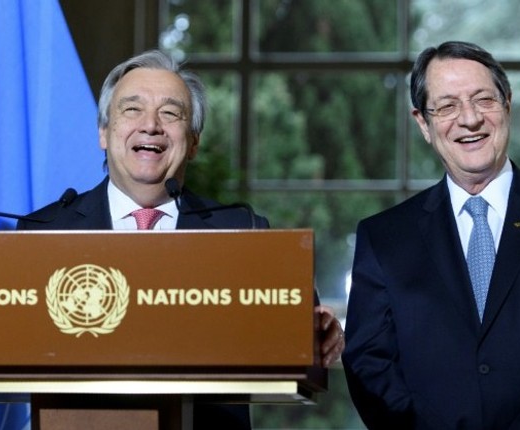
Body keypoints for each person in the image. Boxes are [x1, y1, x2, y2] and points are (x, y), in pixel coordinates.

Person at [17, 50, 345, 429]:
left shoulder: (244, 231)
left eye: (171, 114)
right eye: (132, 110)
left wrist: (317, 333)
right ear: (103, 134)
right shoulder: (43, 232)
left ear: (193, 142)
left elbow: (302, 336)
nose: (151, 125)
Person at [343, 40, 520, 429]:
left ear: (507, 105)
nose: (469, 119)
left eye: (483, 99)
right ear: (423, 124)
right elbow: (369, 361)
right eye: (447, 106)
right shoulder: (384, 237)